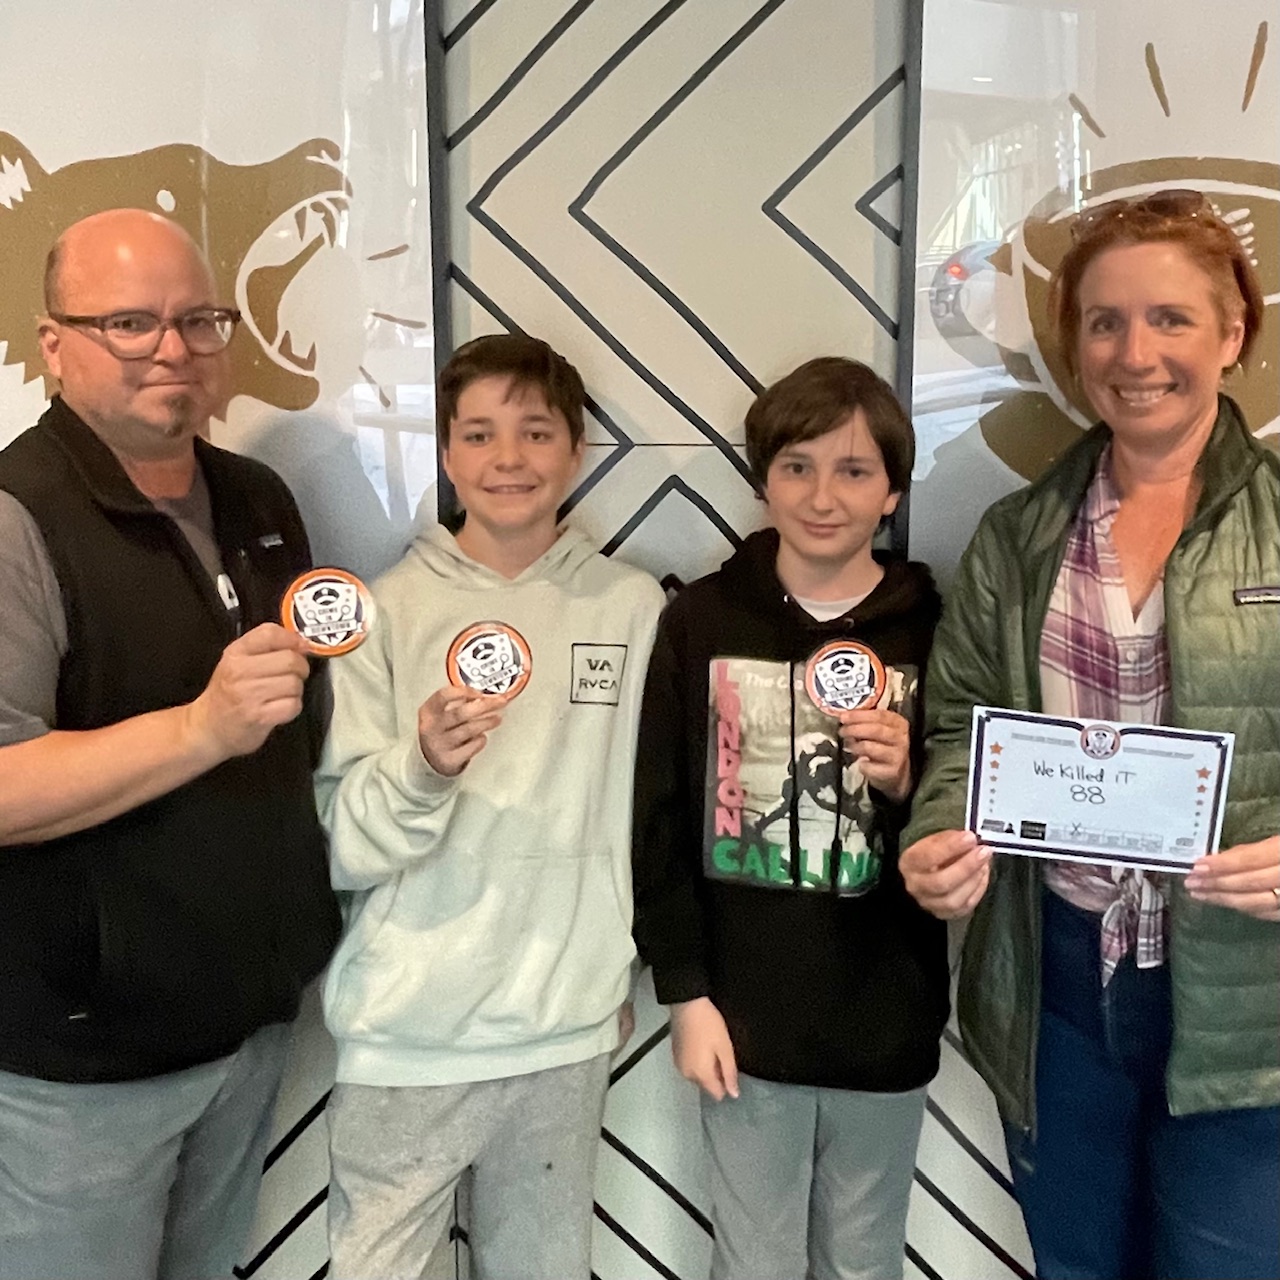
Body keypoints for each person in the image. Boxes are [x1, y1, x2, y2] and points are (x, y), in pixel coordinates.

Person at [900, 190, 1280, 1280]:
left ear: (1231, 333)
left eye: (1169, 318)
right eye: (1104, 322)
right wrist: (937, 832)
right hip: (1059, 981)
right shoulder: (1018, 534)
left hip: (1246, 1001)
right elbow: (958, 726)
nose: (1134, 353)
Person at [0, 209, 340, 1279]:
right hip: (84, 1064)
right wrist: (200, 729)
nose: (172, 348)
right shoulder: (15, 516)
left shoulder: (258, 498)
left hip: (247, 1025)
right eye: (129, 322)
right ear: (55, 343)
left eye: (198, 320)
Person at [316, 333, 665, 1280]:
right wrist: (423, 765)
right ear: (445, 452)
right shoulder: (385, 610)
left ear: (577, 449)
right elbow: (344, 841)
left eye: (536, 432)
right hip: (404, 1033)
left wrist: (618, 958)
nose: (508, 458)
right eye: (477, 434)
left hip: (564, 1026)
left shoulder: (632, 608)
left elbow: (652, 813)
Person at [632, 357, 948, 1280]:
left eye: (854, 471)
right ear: (762, 478)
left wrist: (907, 780)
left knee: (864, 1261)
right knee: (754, 1261)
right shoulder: (700, 621)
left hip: (887, 1016)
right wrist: (686, 993)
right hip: (743, 1022)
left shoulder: (933, 628)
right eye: (796, 467)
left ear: (893, 492)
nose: (822, 496)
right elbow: (657, 818)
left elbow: (969, 807)